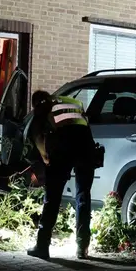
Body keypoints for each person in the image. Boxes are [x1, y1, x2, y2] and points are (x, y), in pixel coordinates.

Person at [27, 90, 96, 260]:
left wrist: (45, 157)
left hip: (64, 149)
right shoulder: (74, 103)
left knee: (52, 197)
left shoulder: (44, 106)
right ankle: (82, 247)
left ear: (36, 103)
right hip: (87, 149)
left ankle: (42, 246)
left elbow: (35, 135)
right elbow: (85, 126)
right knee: (83, 196)